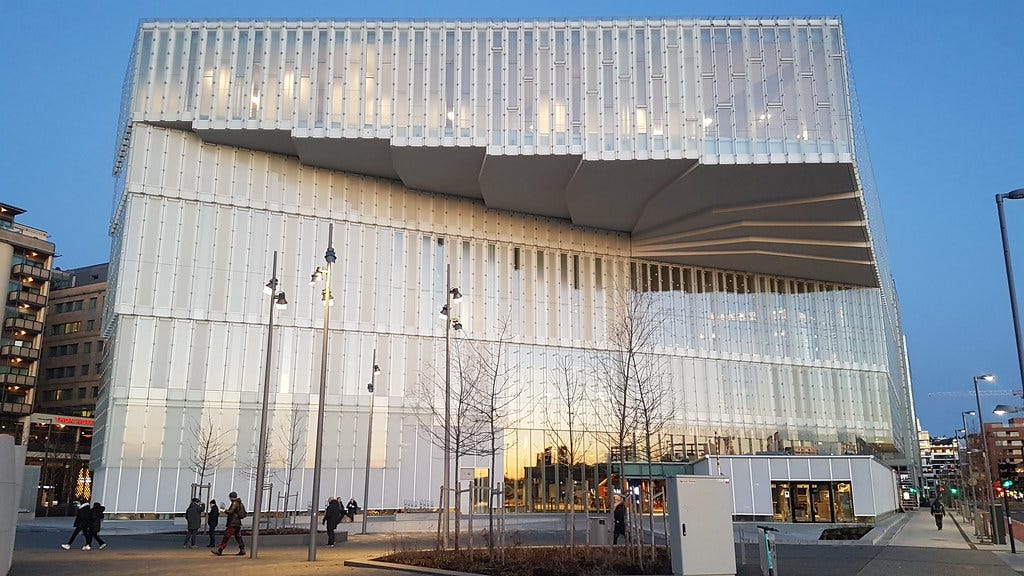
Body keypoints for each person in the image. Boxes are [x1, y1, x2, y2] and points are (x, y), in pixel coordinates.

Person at [212, 491, 246, 556]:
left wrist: (224, 510)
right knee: (238, 536)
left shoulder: (234, 503)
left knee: (226, 536)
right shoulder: (239, 503)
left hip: (233, 523)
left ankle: (220, 550)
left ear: (231, 497)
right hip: (238, 522)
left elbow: (231, 512)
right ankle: (242, 549)